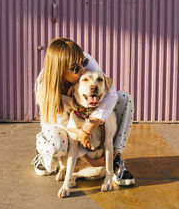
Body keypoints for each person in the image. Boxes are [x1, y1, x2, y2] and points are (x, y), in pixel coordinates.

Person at [32, 37, 135, 186]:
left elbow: (110, 94)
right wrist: (89, 159)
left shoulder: (87, 63)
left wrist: (88, 128)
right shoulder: (45, 88)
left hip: (84, 118)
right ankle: (44, 154)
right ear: (60, 71)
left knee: (124, 98)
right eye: (75, 67)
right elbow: (65, 126)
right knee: (57, 142)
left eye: (83, 62)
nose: (82, 70)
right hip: (61, 126)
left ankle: (115, 159)